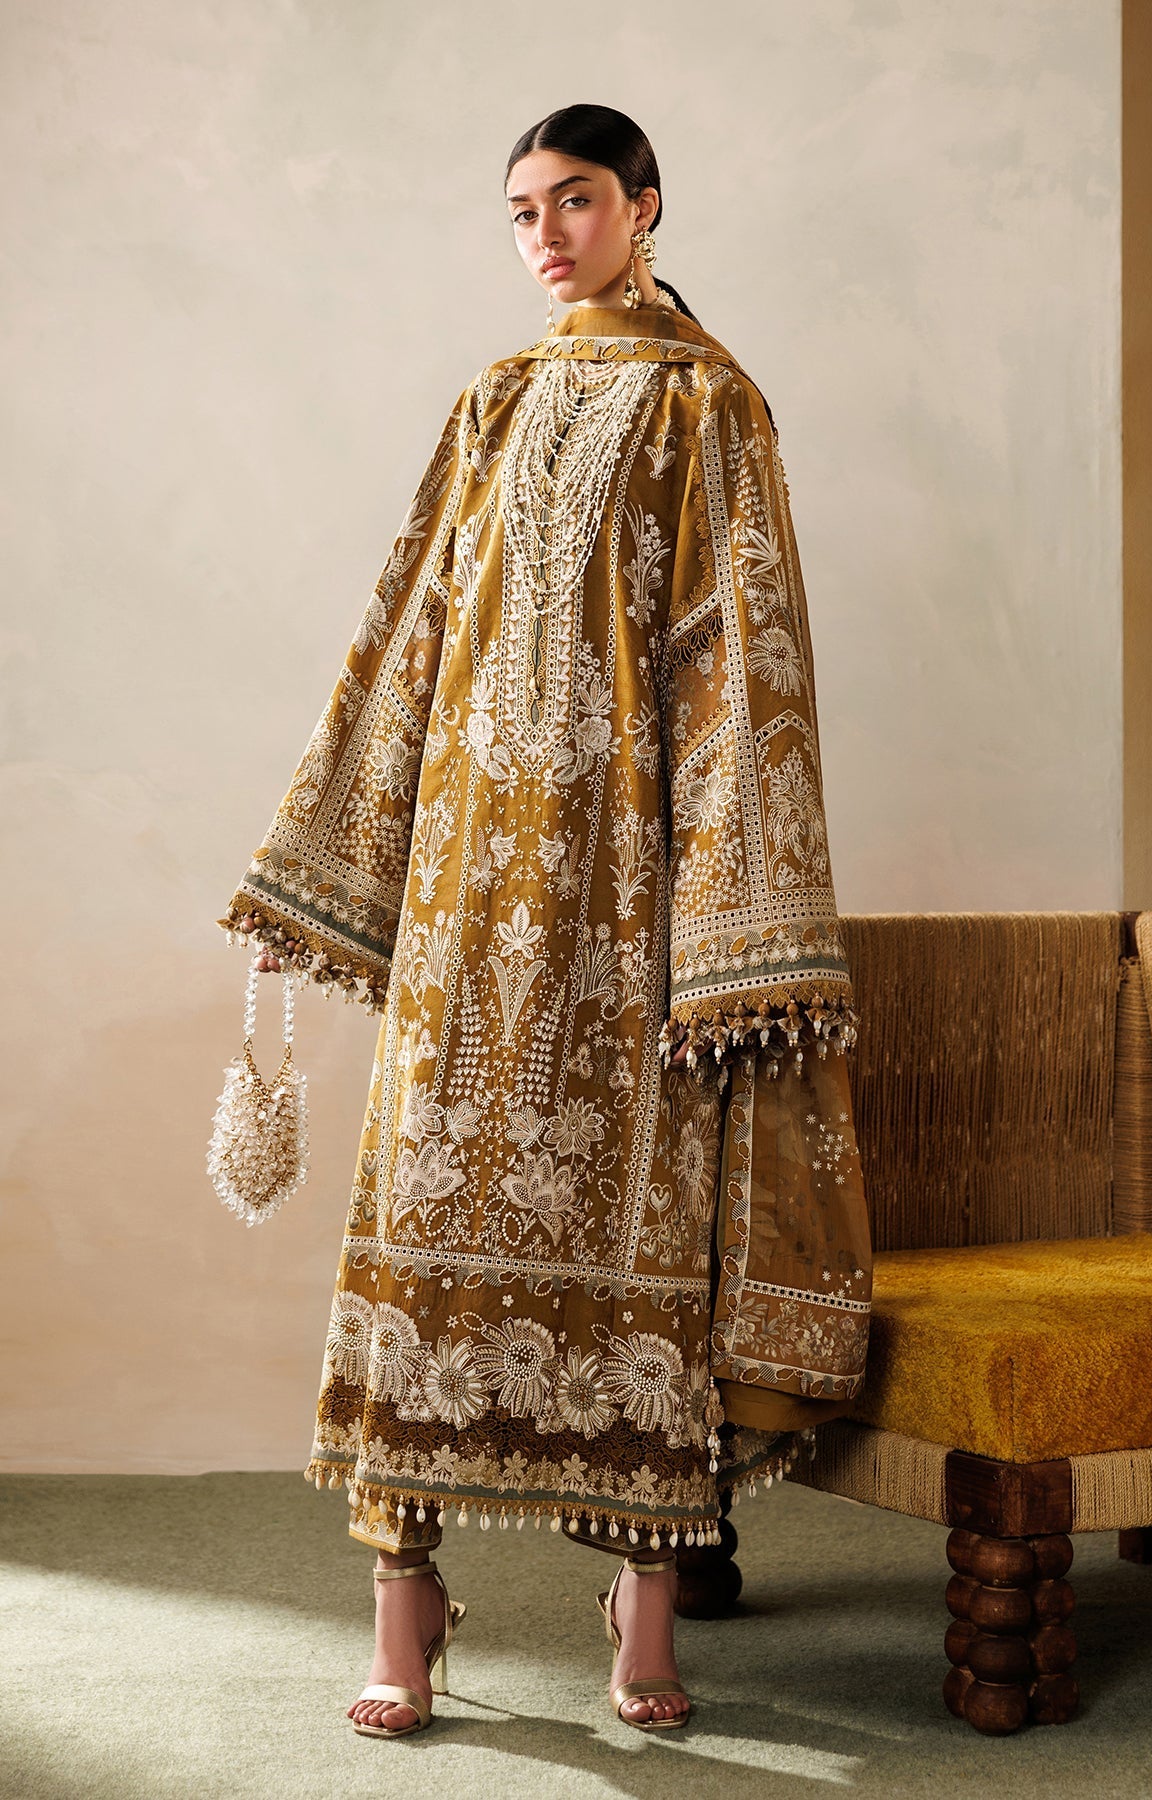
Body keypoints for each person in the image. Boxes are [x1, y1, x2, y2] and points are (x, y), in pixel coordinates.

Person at [217, 101, 873, 1739]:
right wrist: (325, 868)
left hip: (625, 898)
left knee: (641, 1241)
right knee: (417, 1229)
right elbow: (409, 624)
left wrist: (728, 928)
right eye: (520, 212)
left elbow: (745, 665)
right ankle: (406, 1605)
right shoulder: (494, 400)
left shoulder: (711, 406)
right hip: (463, 893)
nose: (545, 236)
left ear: (645, 207)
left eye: (574, 201)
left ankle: (642, 1617)